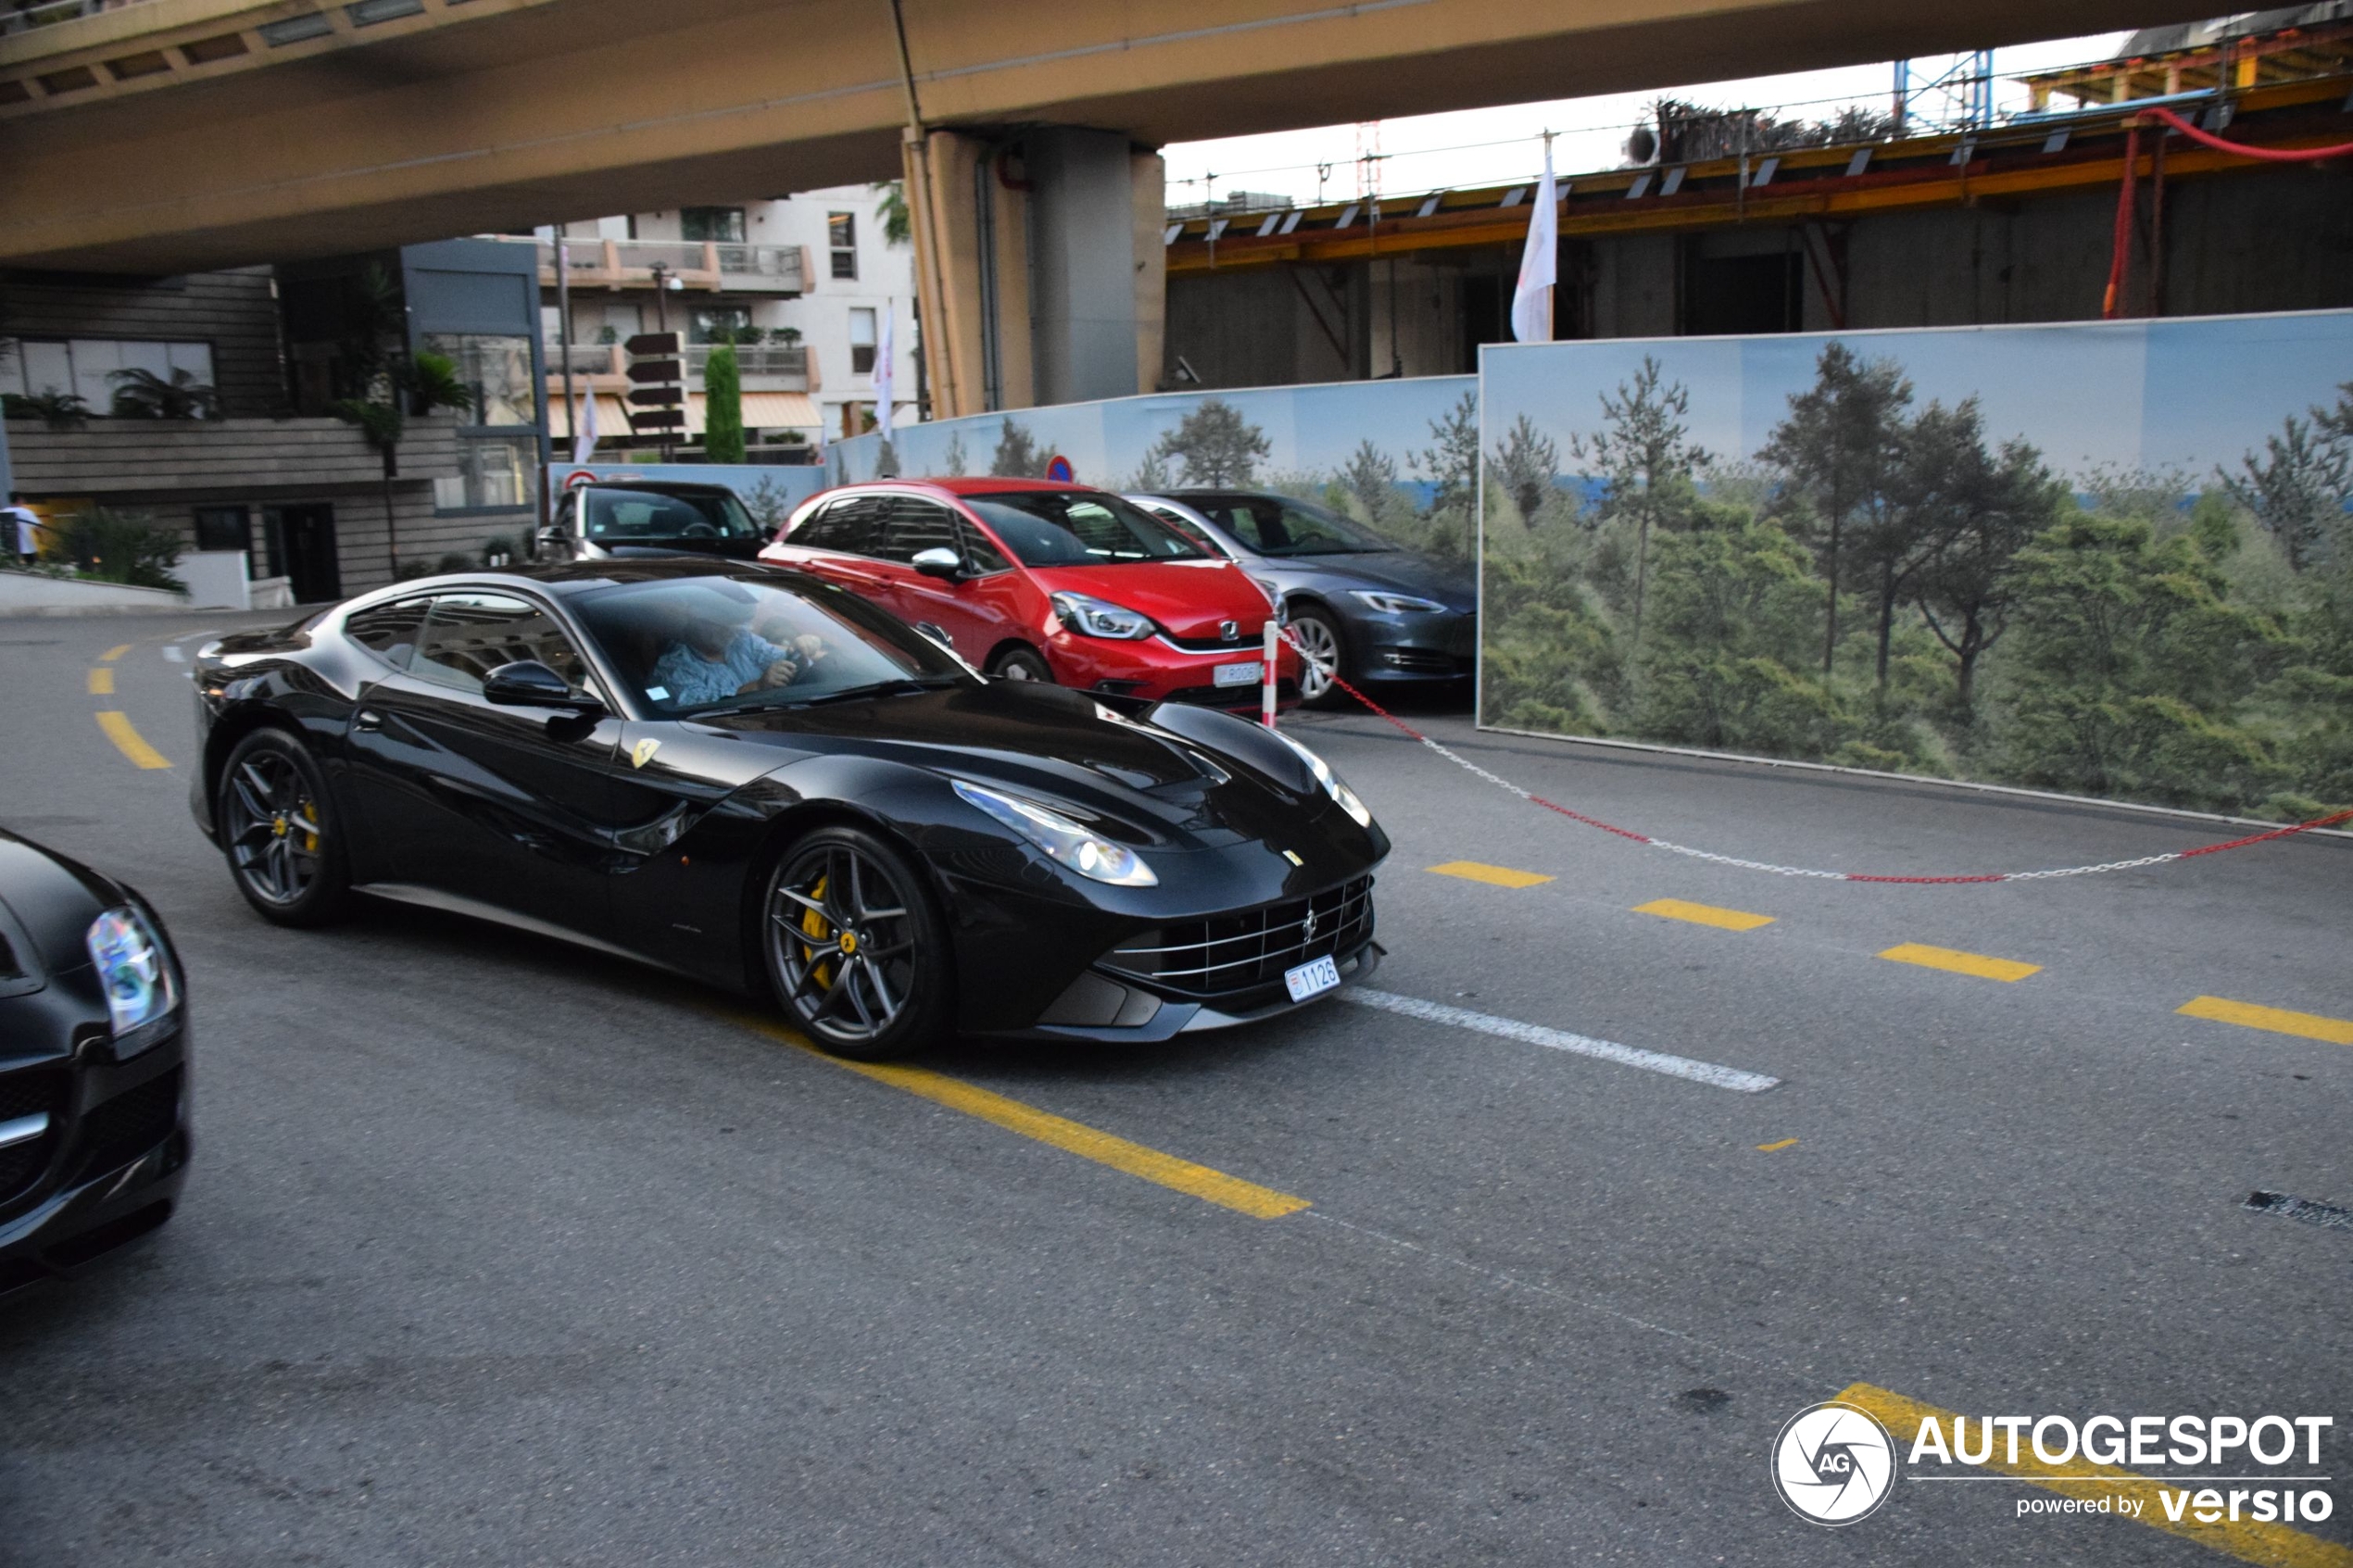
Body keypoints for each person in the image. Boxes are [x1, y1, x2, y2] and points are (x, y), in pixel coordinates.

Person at [645, 589, 811, 707]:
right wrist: (758, 687)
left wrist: (802, 650)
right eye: (724, 626)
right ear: (699, 622)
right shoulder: (674, 666)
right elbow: (700, 705)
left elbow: (780, 661)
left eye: (737, 626)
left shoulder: (743, 640)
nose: (732, 632)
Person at [2, 494, 42, 565]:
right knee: (32, 567)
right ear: (20, 500)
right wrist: (41, 538)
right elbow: (37, 528)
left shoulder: (3, 512)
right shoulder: (27, 512)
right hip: (26, 548)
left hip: (8, 548)